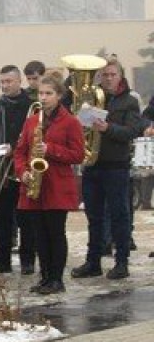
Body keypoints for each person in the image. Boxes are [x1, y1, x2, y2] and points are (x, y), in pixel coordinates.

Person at [70, 59, 144, 281]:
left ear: (120, 76)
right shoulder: (91, 99)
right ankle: (93, 261)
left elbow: (131, 131)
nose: (108, 79)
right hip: (93, 164)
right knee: (94, 216)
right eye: (105, 75)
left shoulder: (129, 101)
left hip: (116, 166)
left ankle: (121, 262)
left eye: (113, 74)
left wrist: (107, 128)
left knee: (119, 215)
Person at [13, 71, 84, 295]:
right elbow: (20, 151)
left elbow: (78, 154)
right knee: (39, 234)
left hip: (57, 186)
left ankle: (56, 279)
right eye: (41, 93)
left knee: (55, 233)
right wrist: (22, 172)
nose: (43, 98)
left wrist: (51, 150)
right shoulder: (32, 120)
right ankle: (44, 277)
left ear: (60, 95)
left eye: (49, 93)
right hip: (34, 185)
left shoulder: (70, 121)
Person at [0, 65, 36, 275]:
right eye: (2, 82)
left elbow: (35, 135)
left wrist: (14, 149)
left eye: (9, 82)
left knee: (26, 218)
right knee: (2, 218)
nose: (5, 86)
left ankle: (27, 260)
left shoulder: (32, 106)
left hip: (24, 169)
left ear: (19, 81)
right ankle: (2, 259)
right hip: (1, 170)